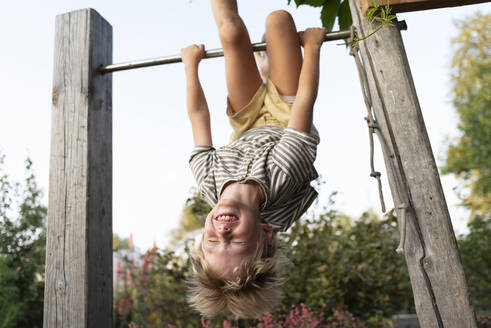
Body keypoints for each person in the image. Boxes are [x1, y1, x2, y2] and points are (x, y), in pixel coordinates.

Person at [181, 0, 326, 319]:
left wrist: (190, 66)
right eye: (235, 245)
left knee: (232, 33)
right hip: (287, 114)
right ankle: (271, 65)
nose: (222, 235)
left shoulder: (209, 183)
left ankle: (264, 66)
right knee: (278, 21)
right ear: (266, 234)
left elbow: (198, 116)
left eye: (212, 245)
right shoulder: (282, 177)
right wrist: (313, 48)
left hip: (246, 124)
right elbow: (304, 102)